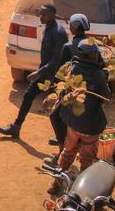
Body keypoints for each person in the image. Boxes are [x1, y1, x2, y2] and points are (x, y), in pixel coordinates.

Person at [48, 39, 111, 196]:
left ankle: (56, 184)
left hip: (73, 123)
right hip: (90, 127)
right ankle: (81, 194)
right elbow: (106, 97)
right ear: (94, 56)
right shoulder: (98, 75)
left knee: (67, 153)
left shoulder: (73, 69)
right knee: (86, 160)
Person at [0, 4, 68, 139]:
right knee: (28, 96)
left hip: (55, 76)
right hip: (45, 72)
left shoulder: (58, 33)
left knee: (55, 107)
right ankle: (16, 127)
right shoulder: (47, 28)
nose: (41, 17)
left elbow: (57, 59)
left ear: (53, 15)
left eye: (44, 14)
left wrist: (38, 72)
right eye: (40, 14)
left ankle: (62, 138)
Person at [47, 14, 92, 154]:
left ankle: (62, 146)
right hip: (89, 90)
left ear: (74, 28)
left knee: (55, 115)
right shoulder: (92, 43)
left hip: (72, 89)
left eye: (71, 25)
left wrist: (57, 91)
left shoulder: (68, 46)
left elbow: (61, 72)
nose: (69, 27)